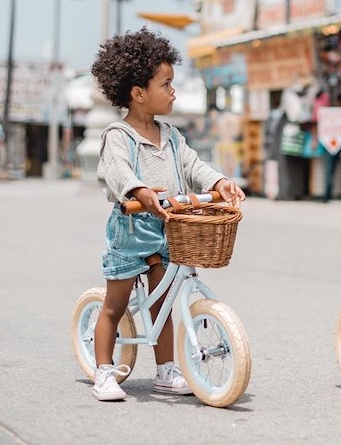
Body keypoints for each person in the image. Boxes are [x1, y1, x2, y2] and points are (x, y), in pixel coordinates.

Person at [90, 28, 245, 402]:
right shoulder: (118, 135)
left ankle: (166, 371)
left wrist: (220, 182)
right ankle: (104, 372)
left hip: (169, 228)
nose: (173, 91)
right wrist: (140, 192)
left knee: (163, 303)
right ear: (138, 93)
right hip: (131, 229)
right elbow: (118, 172)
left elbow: (194, 166)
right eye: (166, 84)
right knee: (115, 304)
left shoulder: (172, 135)